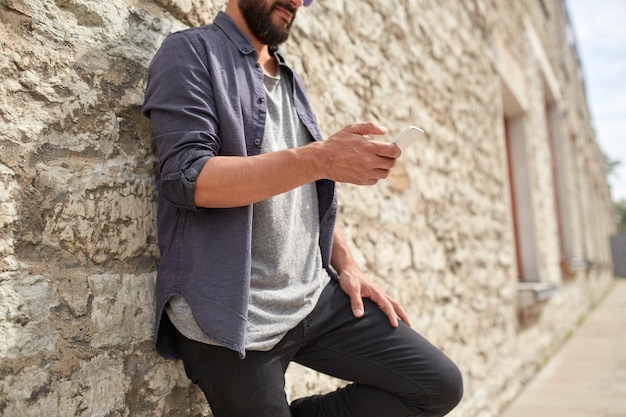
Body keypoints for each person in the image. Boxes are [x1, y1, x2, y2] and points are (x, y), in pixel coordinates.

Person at [142, 0, 463, 416]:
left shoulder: (290, 79)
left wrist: (348, 264)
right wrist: (321, 158)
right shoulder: (190, 51)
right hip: (230, 315)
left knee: (438, 386)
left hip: (313, 294)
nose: (297, 1)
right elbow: (188, 178)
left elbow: (304, 189)